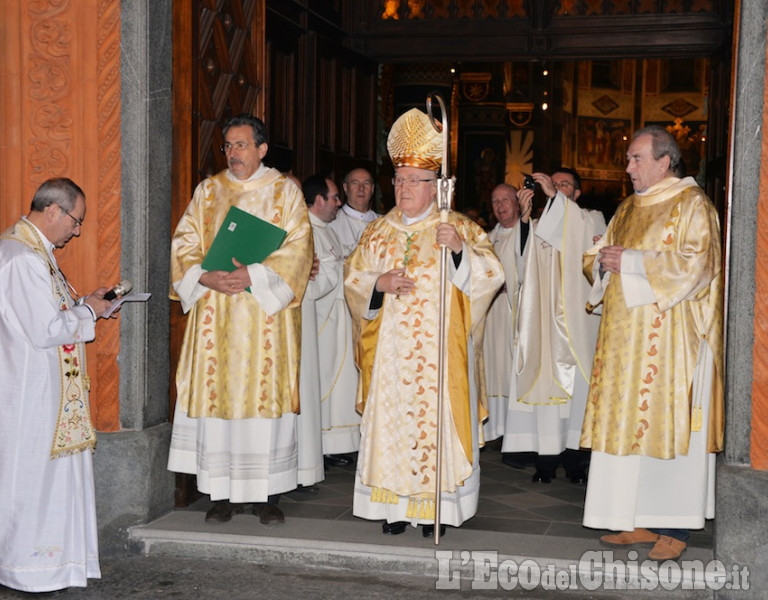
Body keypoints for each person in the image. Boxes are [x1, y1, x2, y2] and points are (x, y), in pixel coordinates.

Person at [345, 108, 504, 538]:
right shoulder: (377, 232)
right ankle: (394, 508)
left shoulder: (458, 227)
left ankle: (436, 508)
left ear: (437, 186)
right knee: (393, 426)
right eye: (398, 180)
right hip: (392, 359)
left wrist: (458, 254)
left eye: (413, 181)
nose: (403, 189)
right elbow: (353, 281)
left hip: (439, 360)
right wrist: (377, 282)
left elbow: (493, 276)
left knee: (434, 427)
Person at [581, 125, 723, 561]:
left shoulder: (693, 205)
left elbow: (700, 265)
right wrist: (602, 261)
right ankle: (637, 518)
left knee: (665, 426)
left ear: (665, 162)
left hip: (671, 344)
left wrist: (633, 261)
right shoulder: (626, 207)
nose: (627, 167)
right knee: (627, 427)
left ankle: (674, 526)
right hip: (625, 343)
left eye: (636, 159)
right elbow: (599, 259)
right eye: (628, 158)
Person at [168, 114, 314, 525]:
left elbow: (300, 248)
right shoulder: (209, 191)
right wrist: (203, 275)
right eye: (228, 146)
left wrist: (254, 273)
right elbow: (184, 242)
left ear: (262, 149)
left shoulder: (284, 192)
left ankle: (267, 495)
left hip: (264, 317)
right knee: (219, 400)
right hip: (216, 313)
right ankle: (221, 495)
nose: (233, 153)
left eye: (242, 145)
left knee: (263, 400)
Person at [0, 178, 116, 592]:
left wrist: (87, 303)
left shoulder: (34, 252)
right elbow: (44, 329)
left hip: (48, 391)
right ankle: (28, 568)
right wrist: (90, 311)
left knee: (50, 477)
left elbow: (52, 312)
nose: (77, 230)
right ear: (53, 211)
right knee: (33, 479)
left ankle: (54, 564)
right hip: (32, 393)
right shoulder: (20, 256)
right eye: (75, 220)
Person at [504, 167, 606, 483]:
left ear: (577, 194)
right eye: (552, 183)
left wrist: (553, 200)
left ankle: (576, 461)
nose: (556, 188)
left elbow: (589, 255)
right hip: (544, 326)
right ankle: (545, 462)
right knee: (545, 393)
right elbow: (515, 267)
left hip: (576, 322)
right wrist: (523, 219)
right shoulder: (536, 226)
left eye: (564, 185)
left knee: (576, 396)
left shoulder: (592, 219)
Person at [301, 175, 362, 472]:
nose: (339, 203)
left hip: (337, 319)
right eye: (335, 197)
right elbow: (312, 281)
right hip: (321, 321)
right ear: (319, 199)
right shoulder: (305, 232)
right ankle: (323, 447)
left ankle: (334, 445)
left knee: (339, 386)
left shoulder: (326, 230)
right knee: (323, 385)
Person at [482, 184, 532, 442]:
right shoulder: (486, 240)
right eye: (495, 201)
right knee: (492, 370)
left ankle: (516, 431)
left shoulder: (529, 233)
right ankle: (495, 428)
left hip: (517, 314)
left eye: (505, 200)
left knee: (512, 370)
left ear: (518, 202)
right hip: (491, 317)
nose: (500, 206)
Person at [329, 167, 379, 259]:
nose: (361, 188)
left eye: (366, 183)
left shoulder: (385, 223)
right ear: (345, 187)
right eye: (355, 183)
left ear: (372, 188)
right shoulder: (331, 223)